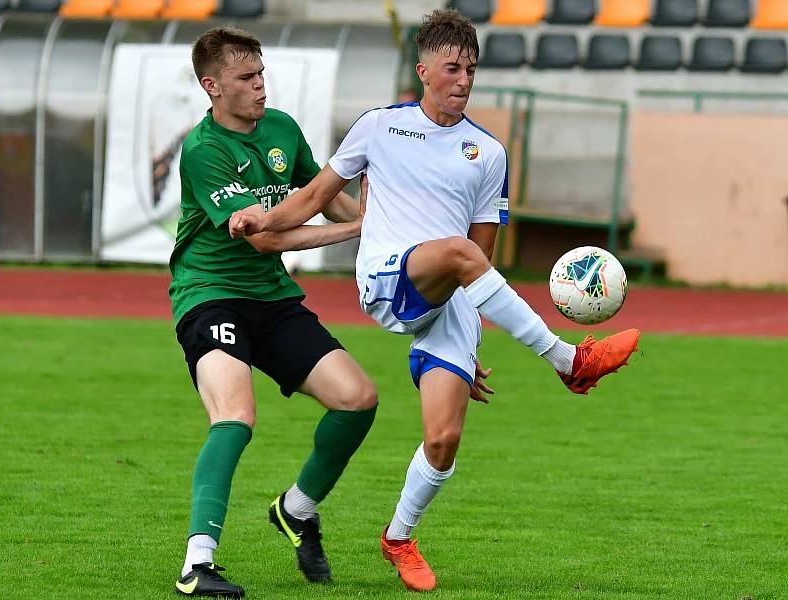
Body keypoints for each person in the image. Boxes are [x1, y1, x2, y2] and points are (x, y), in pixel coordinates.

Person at [229, 9, 640, 592]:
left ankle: (398, 536)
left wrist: (468, 346)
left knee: (443, 441)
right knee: (453, 252)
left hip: (448, 292)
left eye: (472, 69)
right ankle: (569, 362)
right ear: (424, 70)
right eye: (453, 68)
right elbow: (317, 196)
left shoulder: (488, 153)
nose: (464, 80)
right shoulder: (378, 126)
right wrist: (264, 218)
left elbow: (482, 258)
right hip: (388, 278)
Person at [169, 27, 378, 598]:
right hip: (209, 295)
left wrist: (379, 227)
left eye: (262, 74)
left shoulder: (282, 127)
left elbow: (321, 188)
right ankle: (198, 562)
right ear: (212, 86)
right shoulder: (204, 149)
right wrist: (355, 229)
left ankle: (296, 508)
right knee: (235, 417)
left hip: (272, 300)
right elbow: (266, 240)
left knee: (358, 400)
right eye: (246, 78)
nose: (261, 86)